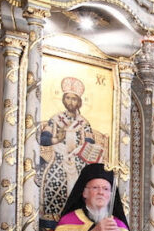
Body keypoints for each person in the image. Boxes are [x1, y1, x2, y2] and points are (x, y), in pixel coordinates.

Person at [37, 77, 106, 216]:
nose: (70, 102)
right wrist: (58, 138)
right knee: (50, 177)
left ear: (79, 102)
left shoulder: (83, 122)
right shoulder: (56, 119)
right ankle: (51, 216)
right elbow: (43, 139)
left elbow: (89, 142)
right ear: (63, 99)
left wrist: (79, 150)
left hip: (79, 161)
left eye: (74, 99)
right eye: (68, 98)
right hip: (57, 159)